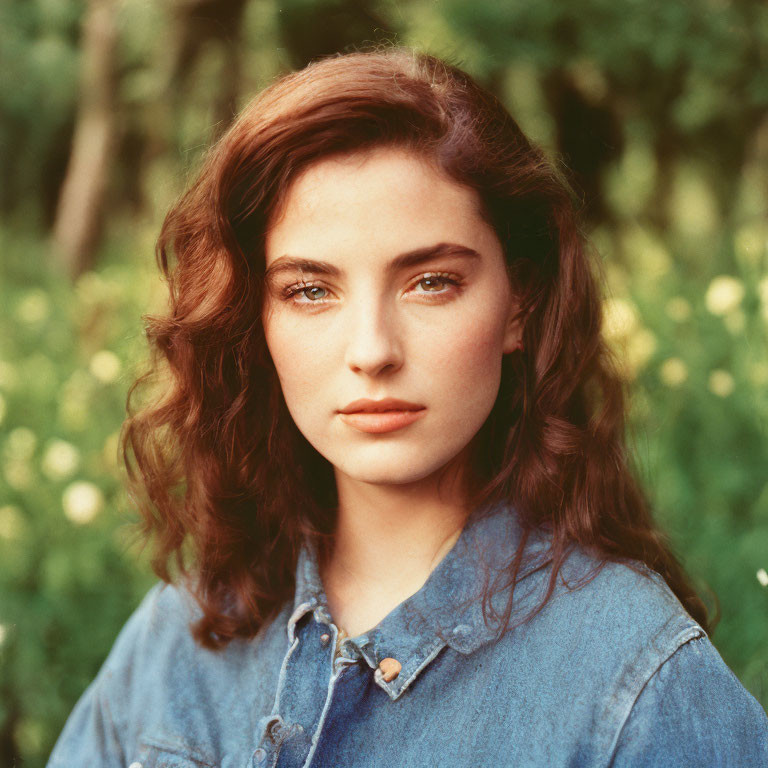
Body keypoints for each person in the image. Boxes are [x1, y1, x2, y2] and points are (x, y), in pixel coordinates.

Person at [48, 46, 768, 767]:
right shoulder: (182, 633)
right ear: (253, 320)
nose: (372, 350)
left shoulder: (641, 686)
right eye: (309, 290)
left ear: (520, 302)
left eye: (430, 282)